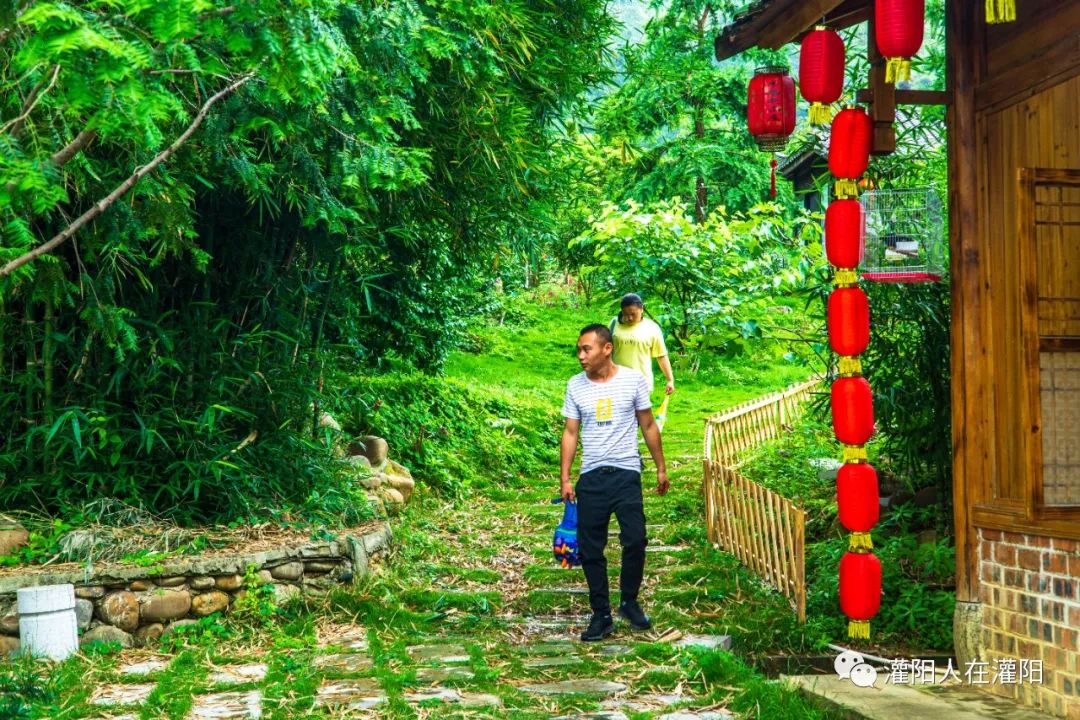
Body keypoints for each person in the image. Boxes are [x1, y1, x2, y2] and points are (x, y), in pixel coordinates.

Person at [560, 323, 670, 642]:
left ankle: (629, 602)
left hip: (626, 473)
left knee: (635, 538)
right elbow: (570, 432)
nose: (581, 355)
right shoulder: (575, 386)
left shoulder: (633, 380)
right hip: (592, 475)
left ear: (607, 349)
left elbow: (648, 424)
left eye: (586, 349)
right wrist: (566, 478)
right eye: (579, 350)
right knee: (591, 548)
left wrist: (660, 467)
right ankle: (601, 614)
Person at [610, 293, 675, 397]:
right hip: (616, 383)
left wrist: (670, 380)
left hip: (641, 384)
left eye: (633, 314)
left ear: (642, 309)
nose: (629, 318)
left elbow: (661, 355)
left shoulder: (652, 328)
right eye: (625, 314)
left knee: (638, 413)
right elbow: (606, 351)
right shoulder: (614, 324)